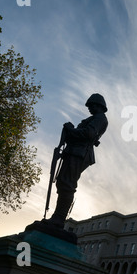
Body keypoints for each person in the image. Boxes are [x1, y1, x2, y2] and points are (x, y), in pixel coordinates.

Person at [47, 93, 108, 228]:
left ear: (98, 105)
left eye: (91, 106)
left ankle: (59, 218)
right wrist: (70, 132)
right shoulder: (94, 118)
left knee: (67, 184)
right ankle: (57, 216)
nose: (89, 109)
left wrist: (71, 130)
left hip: (80, 153)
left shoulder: (100, 118)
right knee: (63, 182)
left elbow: (88, 134)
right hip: (74, 152)